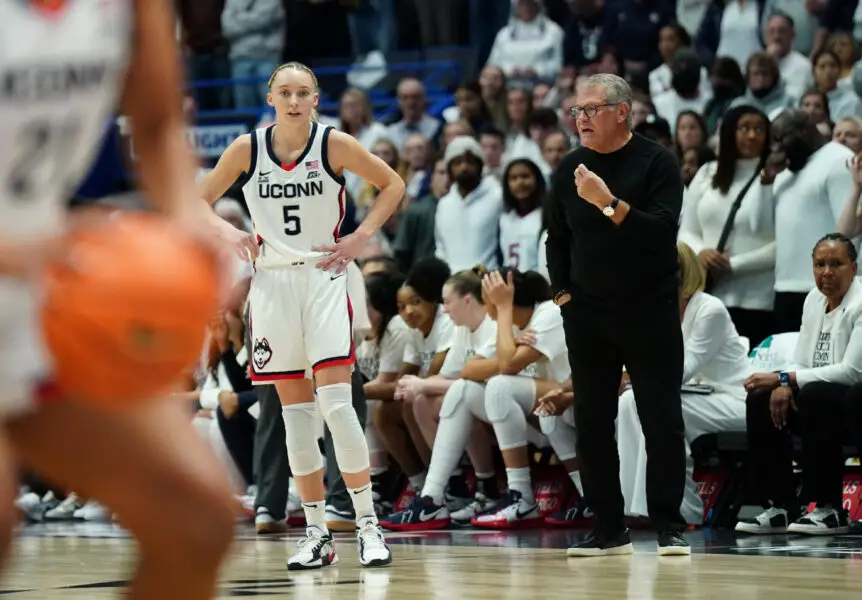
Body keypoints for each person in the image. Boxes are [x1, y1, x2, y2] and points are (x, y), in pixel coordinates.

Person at [0, 0, 256, 598]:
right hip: (35, 253)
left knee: (194, 518)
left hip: (44, 280)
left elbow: (160, 125)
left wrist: (186, 229)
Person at [199, 61, 405, 570]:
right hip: (271, 285)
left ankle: (368, 525)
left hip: (323, 279)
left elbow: (393, 185)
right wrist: (233, 235)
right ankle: (316, 533)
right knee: (295, 418)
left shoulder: (333, 144)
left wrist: (359, 238)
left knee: (337, 407)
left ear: (316, 99)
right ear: (270, 98)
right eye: (285, 92)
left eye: (304, 93)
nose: (294, 101)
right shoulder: (247, 149)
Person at [545, 73, 690, 557]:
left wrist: (608, 203)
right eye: (576, 112)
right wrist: (563, 295)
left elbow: (660, 234)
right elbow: (557, 239)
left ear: (622, 111)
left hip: (650, 310)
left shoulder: (657, 162)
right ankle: (608, 529)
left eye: (591, 110)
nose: (581, 119)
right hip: (588, 315)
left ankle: (668, 524)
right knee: (592, 422)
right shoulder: (568, 167)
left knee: (660, 418)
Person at [736, 233, 862, 536]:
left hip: (853, 402)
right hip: (818, 398)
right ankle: (779, 506)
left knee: (816, 396)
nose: (827, 272)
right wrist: (782, 384)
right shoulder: (813, 300)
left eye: (837, 264)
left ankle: (829, 509)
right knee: (760, 397)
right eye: (820, 264)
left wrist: (787, 379)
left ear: (854, 268)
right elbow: (802, 361)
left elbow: (851, 372)